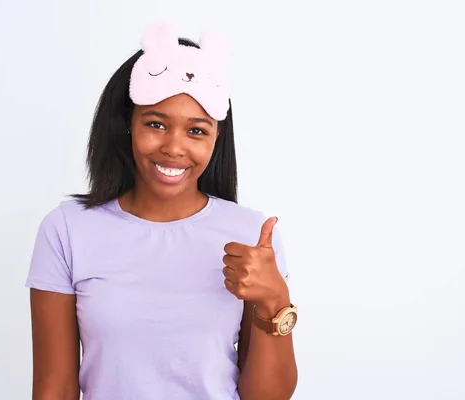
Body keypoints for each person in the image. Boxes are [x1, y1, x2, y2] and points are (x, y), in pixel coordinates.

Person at [25, 23, 298, 400]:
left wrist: (274, 301)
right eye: (156, 124)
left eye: (197, 131)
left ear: (216, 139)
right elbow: (54, 387)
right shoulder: (67, 229)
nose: (174, 147)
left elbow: (267, 397)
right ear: (126, 125)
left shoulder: (251, 236)